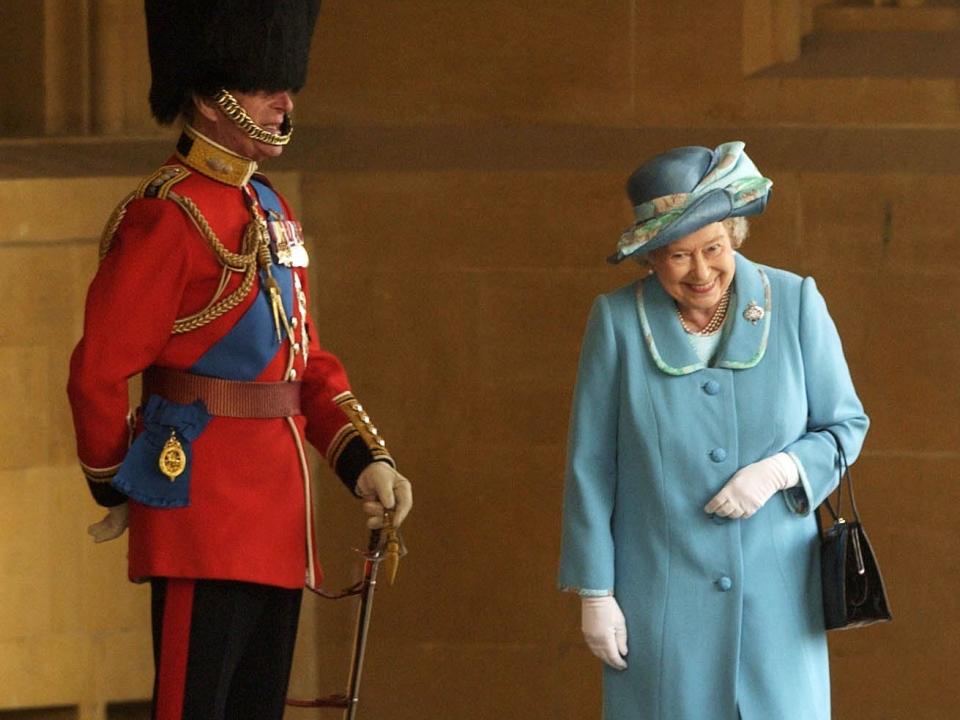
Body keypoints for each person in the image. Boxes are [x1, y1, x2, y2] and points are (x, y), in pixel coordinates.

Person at [66, 2, 412, 719]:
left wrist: (362, 461)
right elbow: (99, 368)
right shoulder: (169, 214)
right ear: (210, 95)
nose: (284, 101)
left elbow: (302, 360)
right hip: (200, 512)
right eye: (263, 85)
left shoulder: (267, 206)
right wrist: (118, 483)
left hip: (278, 522)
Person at [558, 141, 868, 720]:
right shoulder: (619, 323)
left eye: (713, 248)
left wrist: (781, 470)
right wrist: (595, 592)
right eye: (678, 256)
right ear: (651, 259)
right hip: (661, 601)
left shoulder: (795, 301)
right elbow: (591, 465)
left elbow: (845, 425)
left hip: (778, 603)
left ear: (734, 237)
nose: (701, 272)